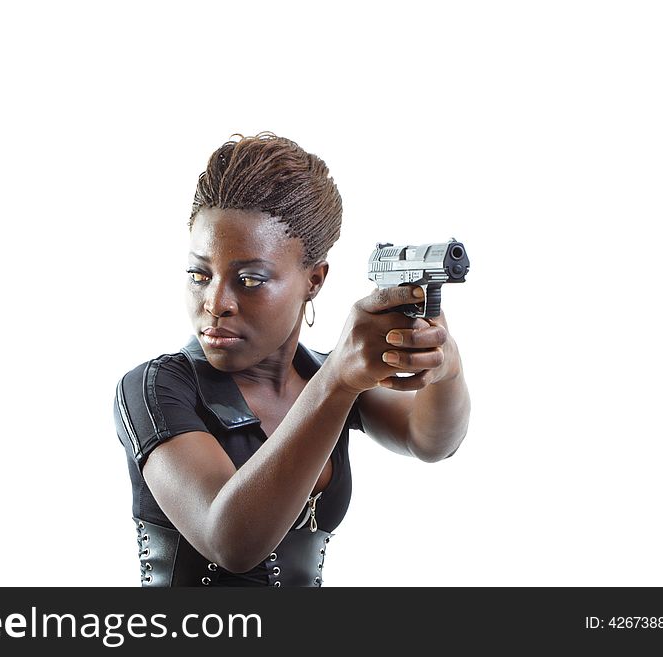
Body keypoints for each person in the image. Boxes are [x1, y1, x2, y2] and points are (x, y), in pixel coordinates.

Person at [113, 132, 471, 586]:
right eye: (198, 274)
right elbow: (230, 542)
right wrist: (337, 381)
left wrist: (446, 366)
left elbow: (431, 439)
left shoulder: (324, 376)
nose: (215, 302)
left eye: (249, 279)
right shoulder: (154, 388)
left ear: (315, 279)